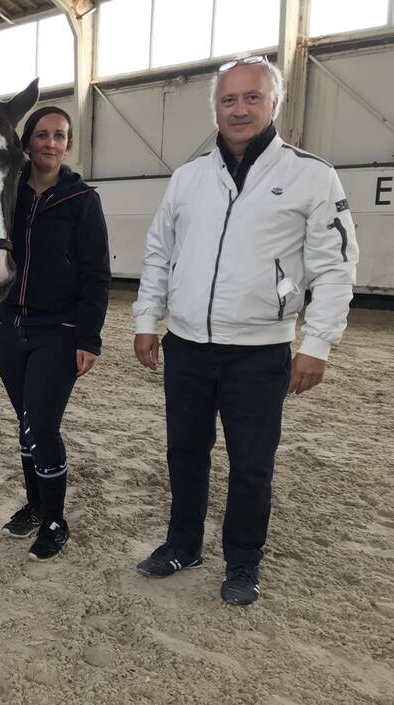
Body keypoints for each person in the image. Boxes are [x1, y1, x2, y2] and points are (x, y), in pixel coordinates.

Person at [132, 56, 358, 605]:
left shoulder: (310, 175)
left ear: (273, 103)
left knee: (251, 464)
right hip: (186, 345)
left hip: (259, 352)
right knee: (184, 451)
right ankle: (183, 543)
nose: (239, 109)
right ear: (216, 107)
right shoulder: (187, 178)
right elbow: (160, 252)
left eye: (251, 97)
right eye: (229, 99)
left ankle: (242, 562)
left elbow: (335, 266)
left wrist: (317, 344)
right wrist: (147, 318)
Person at [0, 106, 111, 561]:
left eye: (60, 136)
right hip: (10, 327)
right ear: (27, 142)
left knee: (42, 426)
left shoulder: (82, 200)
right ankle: (34, 505)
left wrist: (89, 337)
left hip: (59, 330)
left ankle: (55, 520)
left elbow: (97, 274)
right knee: (26, 423)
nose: (51, 142)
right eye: (43, 135)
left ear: (68, 145)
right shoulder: (7, 193)